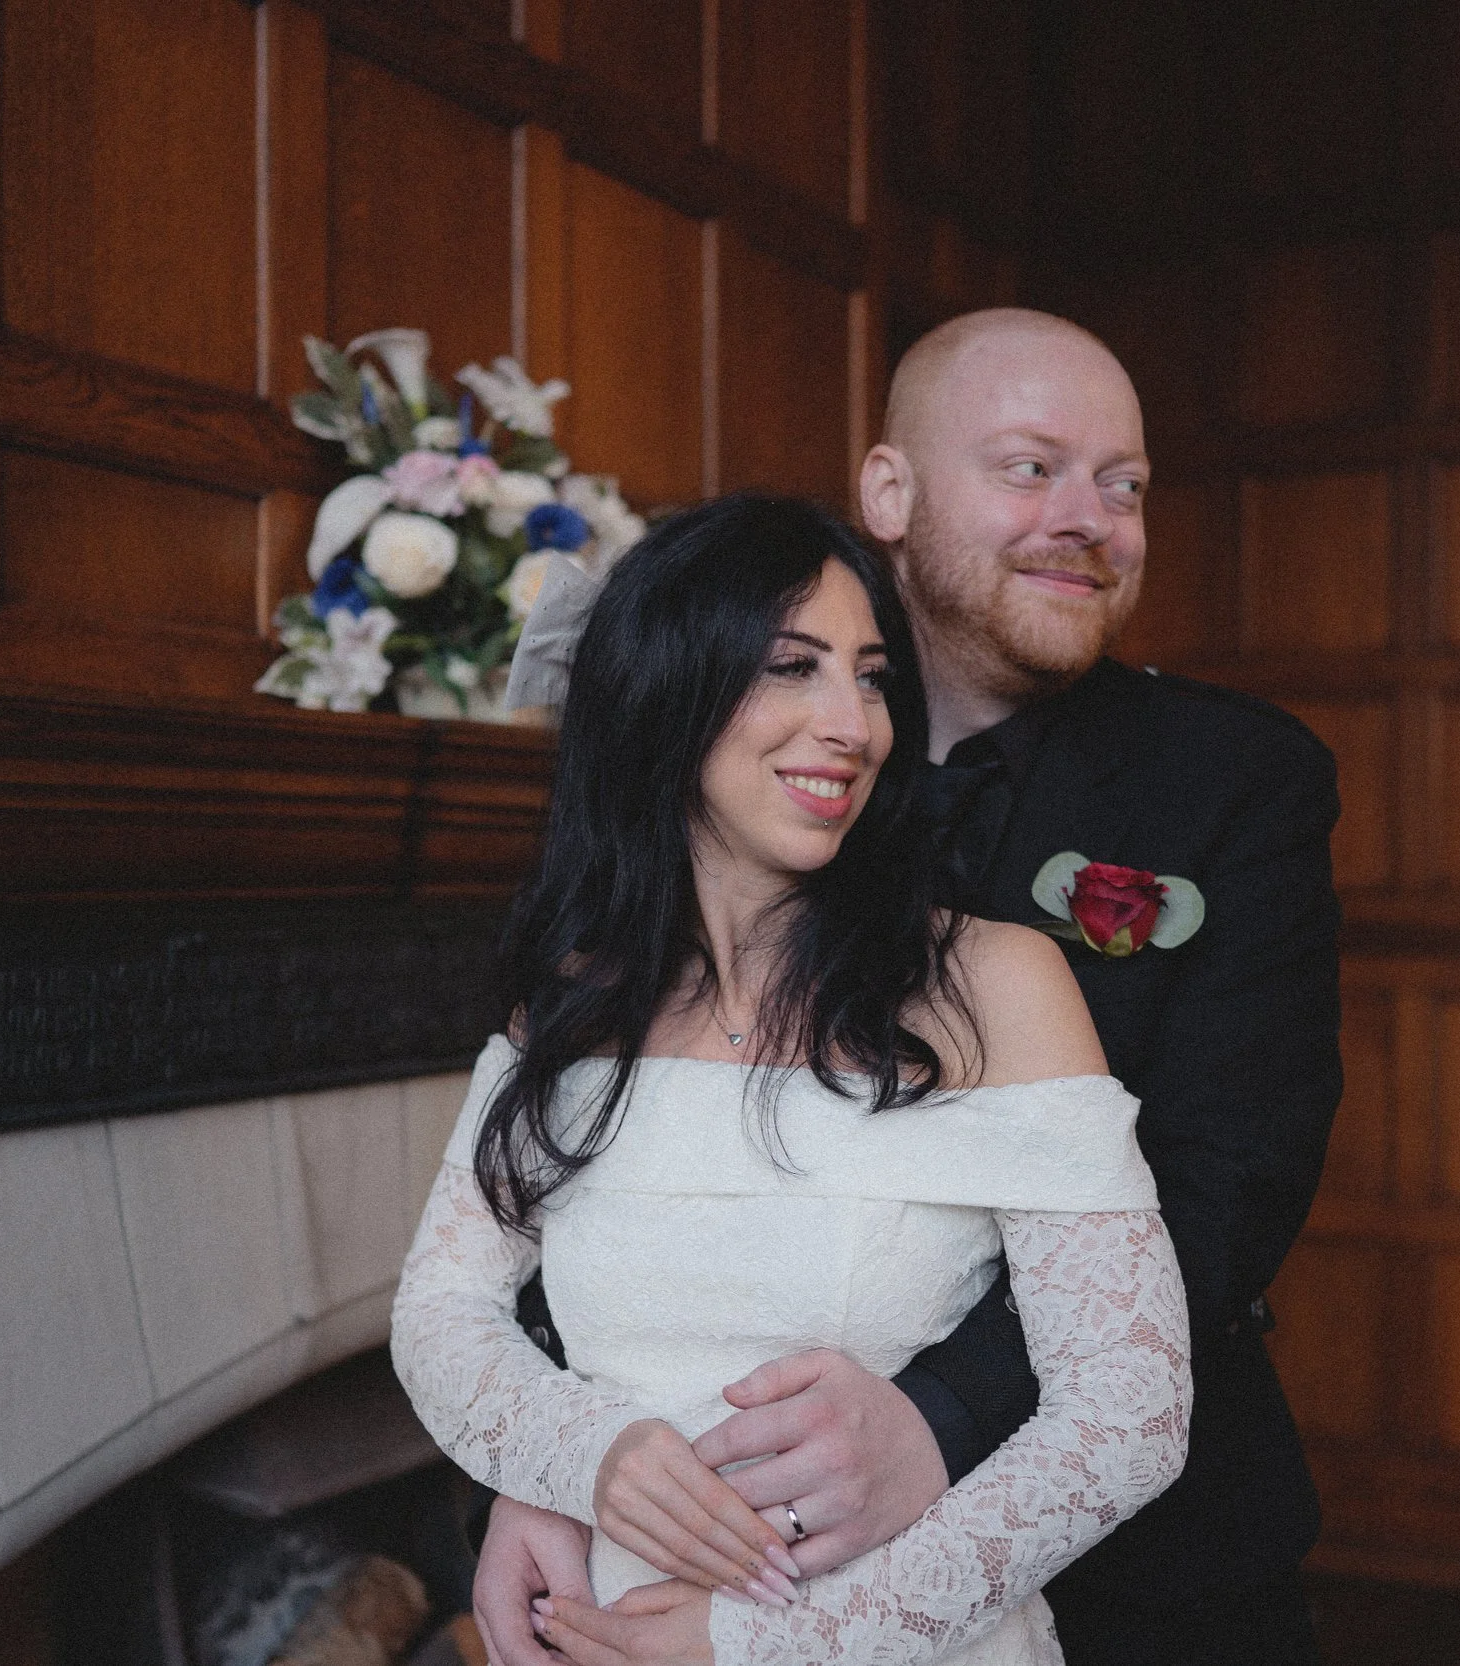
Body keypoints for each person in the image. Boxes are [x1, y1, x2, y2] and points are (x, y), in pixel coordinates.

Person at [471, 309, 1343, 1664]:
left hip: (1145, 1568)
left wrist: (939, 1414)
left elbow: (1227, 1174)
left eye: (1124, 484)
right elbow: (607, 1143)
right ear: (890, 490)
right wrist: (543, 1463)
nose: (1089, 518)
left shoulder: (1236, 778)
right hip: (727, 1554)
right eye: (1031, 465)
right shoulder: (743, 765)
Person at [391, 492, 1193, 1665]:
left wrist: (782, 1644)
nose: (853, 724)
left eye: (869, 676)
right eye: (792, 667)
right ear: (668, 690)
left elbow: (1129, 1414)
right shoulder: (575, 996)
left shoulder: (991, 983)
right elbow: (442, 1313)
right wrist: (574, 1462)